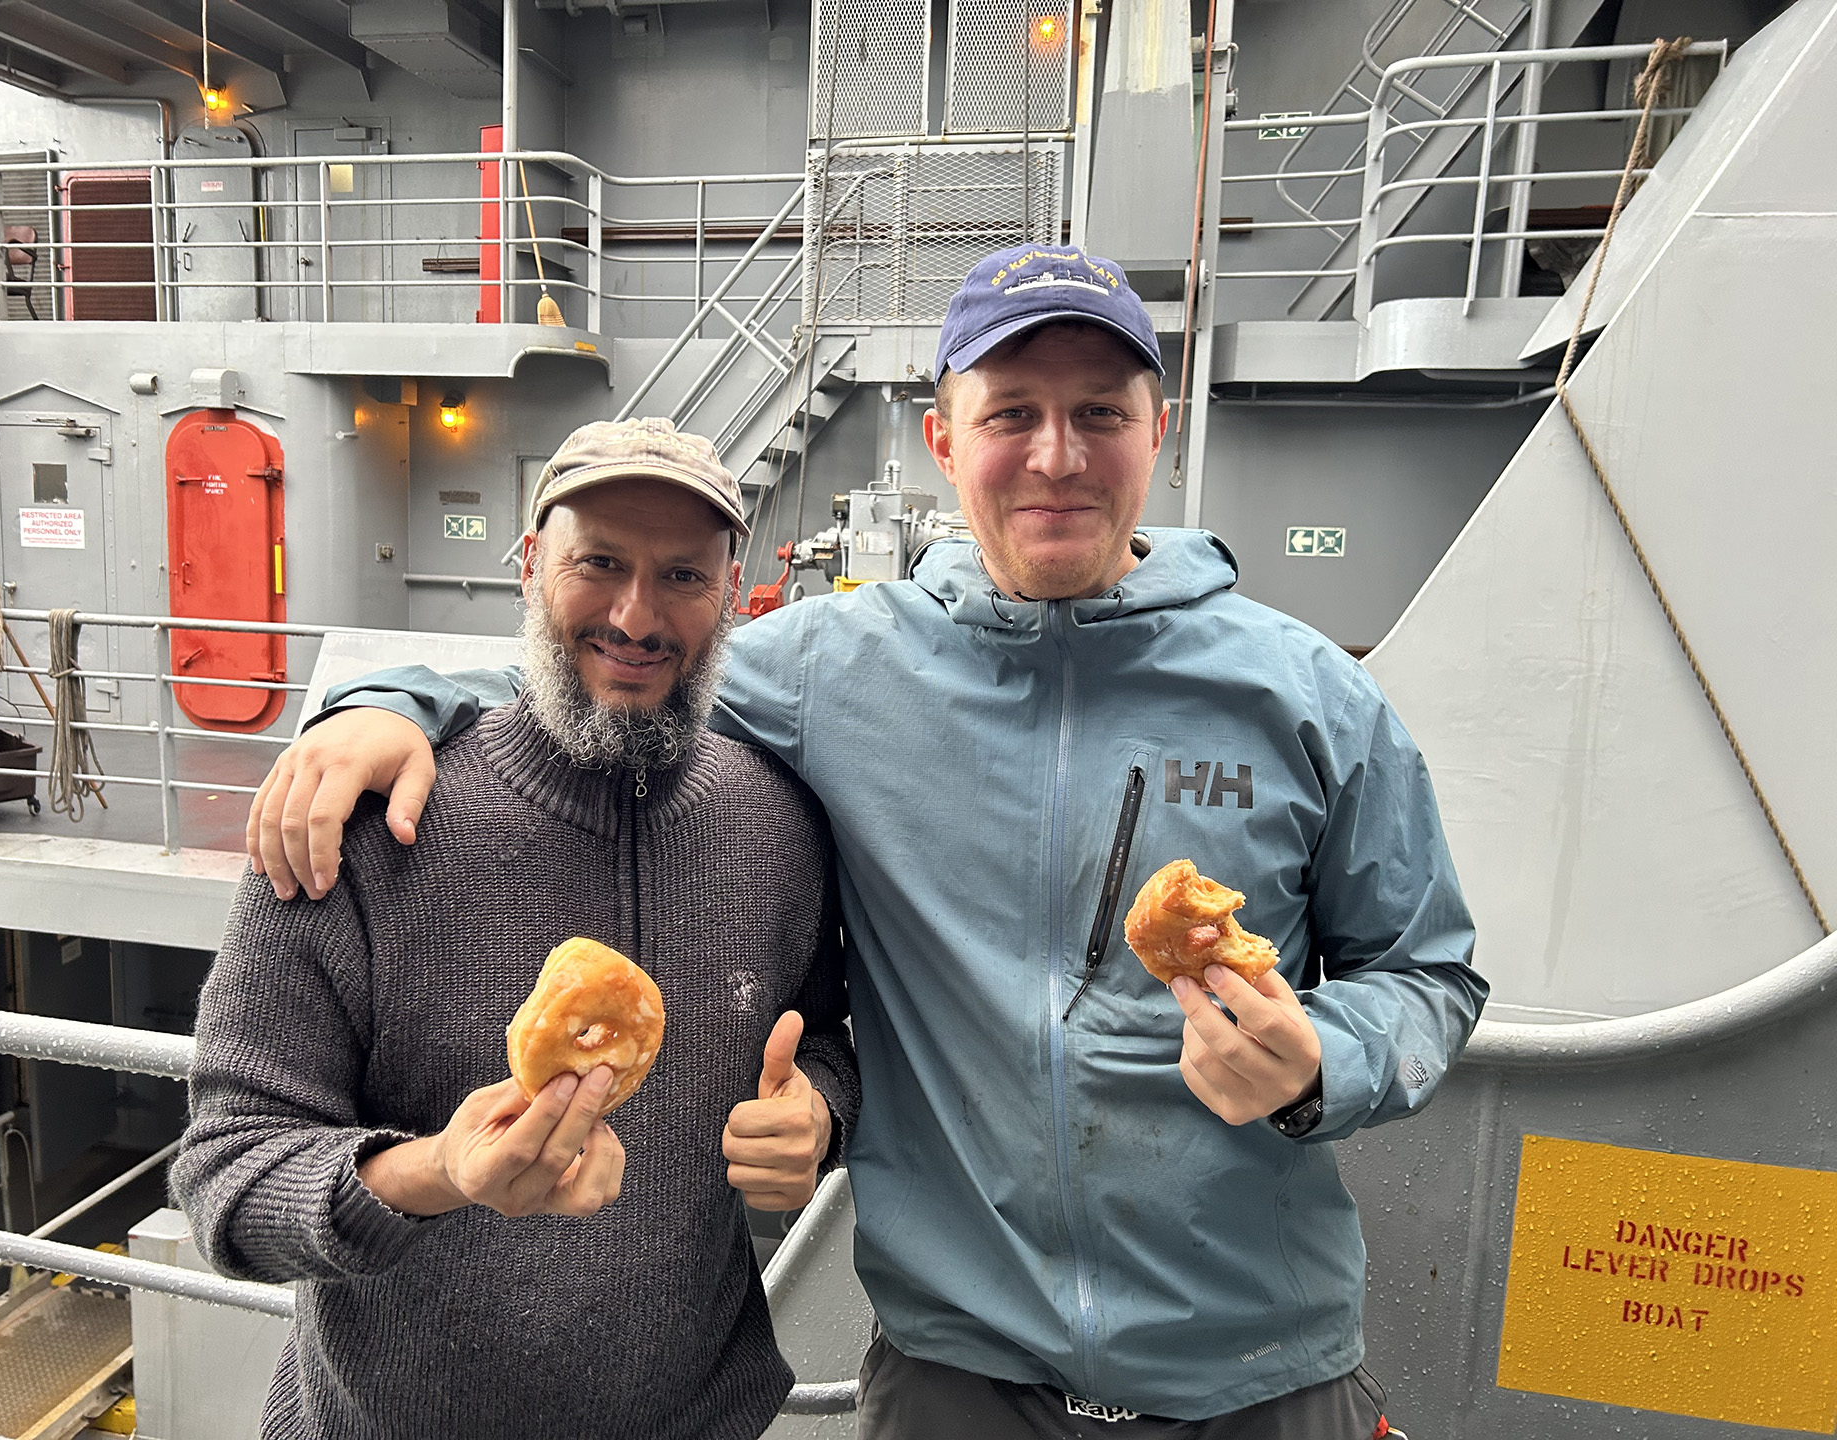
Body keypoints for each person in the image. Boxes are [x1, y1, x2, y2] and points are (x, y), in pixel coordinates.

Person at [247, 244, 1485, 1437]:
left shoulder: (1309, 697)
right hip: (961, 1378)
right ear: (944, 440)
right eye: (1011, 414)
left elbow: (1429, 973)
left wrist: (1322, 1063)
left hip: (1259, 1377)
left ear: (1156, 431)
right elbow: (615, 662)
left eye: (1100, 413)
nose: (1057, 456)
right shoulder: (841, 668)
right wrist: (386, 701)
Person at [174, 419, 859, 1440]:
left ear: (731, 590)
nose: (636, 616)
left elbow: (832, 1041)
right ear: (531, 564)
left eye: (682, 575)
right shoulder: (364, 827)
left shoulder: (779, 827)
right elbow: (228, 1179)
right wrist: (435, 1175)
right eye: (599, 563)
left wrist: (822, 1115)